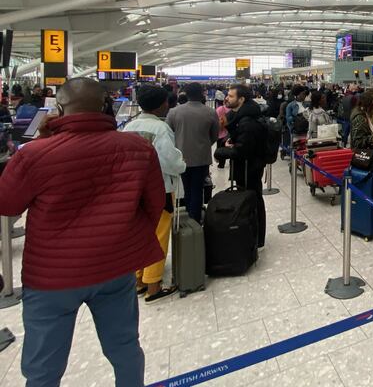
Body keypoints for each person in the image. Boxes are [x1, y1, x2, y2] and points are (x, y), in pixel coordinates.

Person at [0, 78, 164, 386]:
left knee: (43, 368)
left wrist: (40, 141)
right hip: (115, 267)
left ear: (58, 109)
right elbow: (154, 206)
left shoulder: (34, 155)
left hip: (51, 276)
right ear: (107, 106)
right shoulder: (138, 148)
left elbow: (7, 203)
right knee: (126, 348)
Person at [123, 85, 186, 303]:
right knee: (159, 234)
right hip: (159, 188)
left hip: (134, 189)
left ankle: (138, 279)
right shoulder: (160, 129)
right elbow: (170, 161)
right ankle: (154, 284)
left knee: (139, 232)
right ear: (163, 104)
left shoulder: (129, 126)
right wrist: (182, 164)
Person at [215, 85, 268, 248]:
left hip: (249, 168)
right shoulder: (241, 117)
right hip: (246, 167)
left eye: (231, 96)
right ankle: (251, 232)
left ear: (241, 99)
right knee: (251, 199)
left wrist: (221, 152)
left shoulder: (247, 122)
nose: (227, 99)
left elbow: (243, 151)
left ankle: (257, 237)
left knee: (253, 199)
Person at [166, 82, 219, 223]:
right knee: (198, 188)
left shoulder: (174, 112)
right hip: (202, 157)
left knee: (187, 186)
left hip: (181, 156)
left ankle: (190, 212)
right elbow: (214, 135)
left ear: (185, 94)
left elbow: (168, 134)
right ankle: (195, 218)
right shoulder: (210, 112)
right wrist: (205, 144)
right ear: (202, 93)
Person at [215, 100, 232, 169]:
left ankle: (221, 164)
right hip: (230, 134)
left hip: (220, 134)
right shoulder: (233, 110)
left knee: (221, 150)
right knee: (231, 149)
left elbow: (215, 120)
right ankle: (232, 163)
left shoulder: (219, 109)